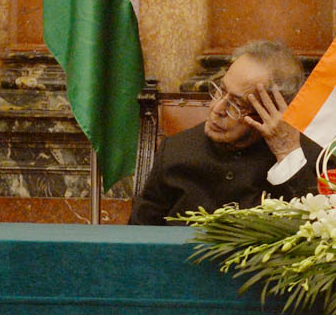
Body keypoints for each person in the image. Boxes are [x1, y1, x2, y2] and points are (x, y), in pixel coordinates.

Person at [131, 42, 323, 226]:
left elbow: (326, 235)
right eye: (219, 91)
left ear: (271, 113)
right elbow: (137, 237)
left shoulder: (311, 158)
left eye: (237, 105)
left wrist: (287, 154)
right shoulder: (175, 151)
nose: (217, 108)